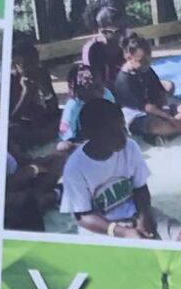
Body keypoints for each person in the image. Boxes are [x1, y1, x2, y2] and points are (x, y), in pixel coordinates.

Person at [58, 95, 158, 239]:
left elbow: (140, 188)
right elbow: (83, 216)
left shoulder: (130, 147)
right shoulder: (75, 169)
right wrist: (121, 232)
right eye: (112, 133)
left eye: (123, 128)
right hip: (104, 230)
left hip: (137, 215)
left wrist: (144, 217)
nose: (122, 136)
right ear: (90, 134)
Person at [113, 35, 181, 140]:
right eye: (142, 61)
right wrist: (170, 119)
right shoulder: (123, 81)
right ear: (129, 58)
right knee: (158, 126)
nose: (147, 65)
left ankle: (172, 130)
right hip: (137, 115)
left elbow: (159, 90)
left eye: (149, 60)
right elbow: (145, 107)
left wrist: (166, 111)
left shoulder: (146, 69)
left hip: (157, 110)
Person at [7, 36, 61, 153]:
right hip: (23, 124)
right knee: (14, 131)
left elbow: (53, 108)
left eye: (34, 62)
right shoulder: (9, 81)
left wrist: (44, 89)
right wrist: (25, 94)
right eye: (26, 63)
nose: (32, 67)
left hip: (39, 118)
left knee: (62, 115)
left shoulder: (41, 73)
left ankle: (44, 136)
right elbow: (11, 119)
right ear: (14, 65)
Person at [81, 2, 126, 93]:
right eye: (119, 30)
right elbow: (93, 83)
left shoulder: (125, 45)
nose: (123, 33)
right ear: (103, 31)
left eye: (123, 29)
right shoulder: (92, 50)